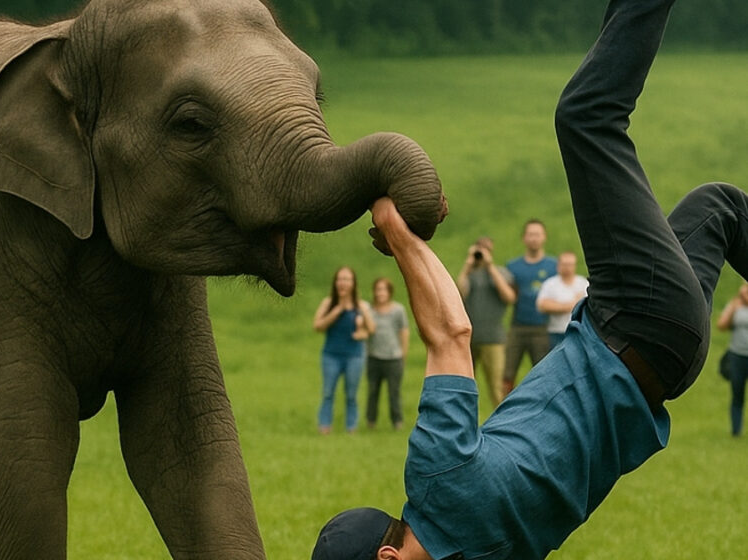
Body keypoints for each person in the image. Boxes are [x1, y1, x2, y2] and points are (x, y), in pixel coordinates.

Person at [311, 1, 748, 558]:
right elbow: (450, 333)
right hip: (634, 322)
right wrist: (397, 230)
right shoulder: (437, 487)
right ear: (388, 555)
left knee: (720, 210)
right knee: (585, 117)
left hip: (672, 364)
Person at [313, 266, 376, 434]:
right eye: (340, 279)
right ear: (335, 283)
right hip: (331, 355)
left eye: (347, 279)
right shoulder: (328, 303)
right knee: (327, 392)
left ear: (353, 283)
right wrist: (337, 310)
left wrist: (361, 333)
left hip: (354, 356)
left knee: (351, 394)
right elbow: (318, 326)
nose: (343, 283)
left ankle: (351, 427)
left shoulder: (361, 306)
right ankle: (324, 425)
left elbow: (371, 329)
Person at [456, 237, 516, 407]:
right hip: (469, 339)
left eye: (486, 249)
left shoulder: (501, 272)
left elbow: (509, 296)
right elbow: (458, 295)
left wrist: (490, 267)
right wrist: (467, 266)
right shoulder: (469, 275)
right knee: (465, 384)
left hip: (494, 339)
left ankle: (502, 421)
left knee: (497, 386)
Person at [503, 220, 557, 394]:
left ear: (544, 237)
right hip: (517, 327)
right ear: (524, 238)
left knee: (543, 373)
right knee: (507, 373)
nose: (534, 239)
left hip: (542, 327)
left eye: (537, 234)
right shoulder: (513, 267)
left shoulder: (553, 267)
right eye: (530, 234)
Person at [365, 278, 410, 430]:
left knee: (394, 392)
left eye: (383, 289)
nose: (380, 293)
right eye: (378, 289)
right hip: (374, 357)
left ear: (389, 292)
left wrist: (403, 355)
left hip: (393, 358)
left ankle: (397, 421)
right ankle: (371, 421)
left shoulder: (398, 310)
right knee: (372, 391)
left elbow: (404, 332)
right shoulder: (369, 311)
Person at [536, 251, 589, 348]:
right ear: (558, 265)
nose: (567, 267)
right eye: (564, 264)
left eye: (570, 264)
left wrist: (556, 304)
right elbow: (542, 306)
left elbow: (589, 306)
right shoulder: (550, 284)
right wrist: (573, 304)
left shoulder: (583, 284)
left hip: (578, 332)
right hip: (556, 332)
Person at [716, 283, 748, 436]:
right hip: (737, 355)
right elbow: (721, 325)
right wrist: (733, 308)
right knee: (737, 392)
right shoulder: (735, 305)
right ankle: (736, 430)